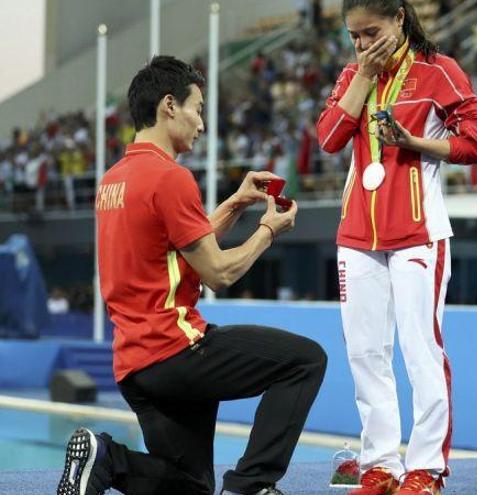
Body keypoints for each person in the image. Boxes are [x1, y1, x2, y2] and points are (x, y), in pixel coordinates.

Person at [56, 56, 327, 495]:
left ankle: (106, 458)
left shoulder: (114, 180)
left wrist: (236, 204)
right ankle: (252, 485)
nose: (201, 123)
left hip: (135, 365)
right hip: (176, 348)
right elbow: (219, 272)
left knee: (191, 487)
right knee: (305, 360)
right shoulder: (170, 177)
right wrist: (267, 231)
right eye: (197, 108)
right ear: (169, 105)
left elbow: (178, 247)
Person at [316, 1, 477, 494]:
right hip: (357, 235)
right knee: (366, 353)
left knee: (420, 351)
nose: (362, 44)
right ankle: (380, 466)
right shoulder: (353, 75)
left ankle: (426, 470)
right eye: (353, 37)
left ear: (399, 19)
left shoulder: (439, 72)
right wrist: (362, 78)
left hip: (418, 233)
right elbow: (329, 138)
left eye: (371, 32)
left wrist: (414, 141)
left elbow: (475, 144)